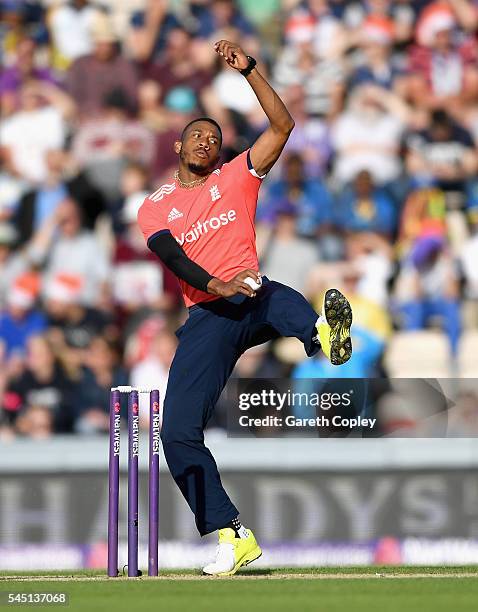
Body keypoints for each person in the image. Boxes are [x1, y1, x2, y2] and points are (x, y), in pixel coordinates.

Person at [138, 40, 353, 576]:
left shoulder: (236, 176)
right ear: (180, 146)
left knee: (278, 295)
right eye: (196, 135)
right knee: (176, 433)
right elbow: (171, 257)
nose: (206, 140)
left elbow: (282, 126)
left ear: (220, 151)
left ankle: (323, 339)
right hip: (210, 313)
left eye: (213, 137)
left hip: (250, 296)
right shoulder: (156, 204)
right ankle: (234, 536)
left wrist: (251, 71)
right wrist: (217, 281)